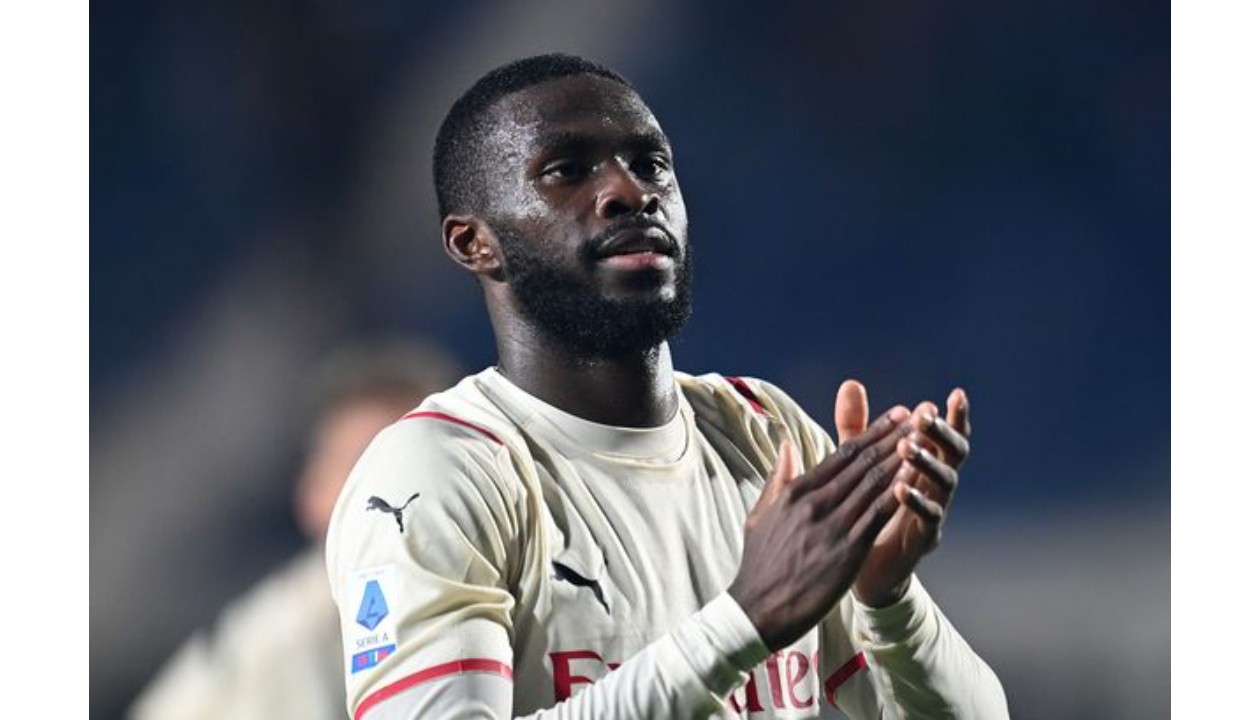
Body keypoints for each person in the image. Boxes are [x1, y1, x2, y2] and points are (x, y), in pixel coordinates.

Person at [326, 54, 1009, 719]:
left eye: (651, 164)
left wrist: (888, 599)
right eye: (567, 170)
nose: (630, 191)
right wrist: (742, 621)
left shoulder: (764, 432)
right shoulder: (443, 472)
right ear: (474, 243)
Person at [128, 340, 460, 720]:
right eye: (358, 465)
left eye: (415, 455)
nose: (392, 485)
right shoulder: (285, 647)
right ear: (312, 497)